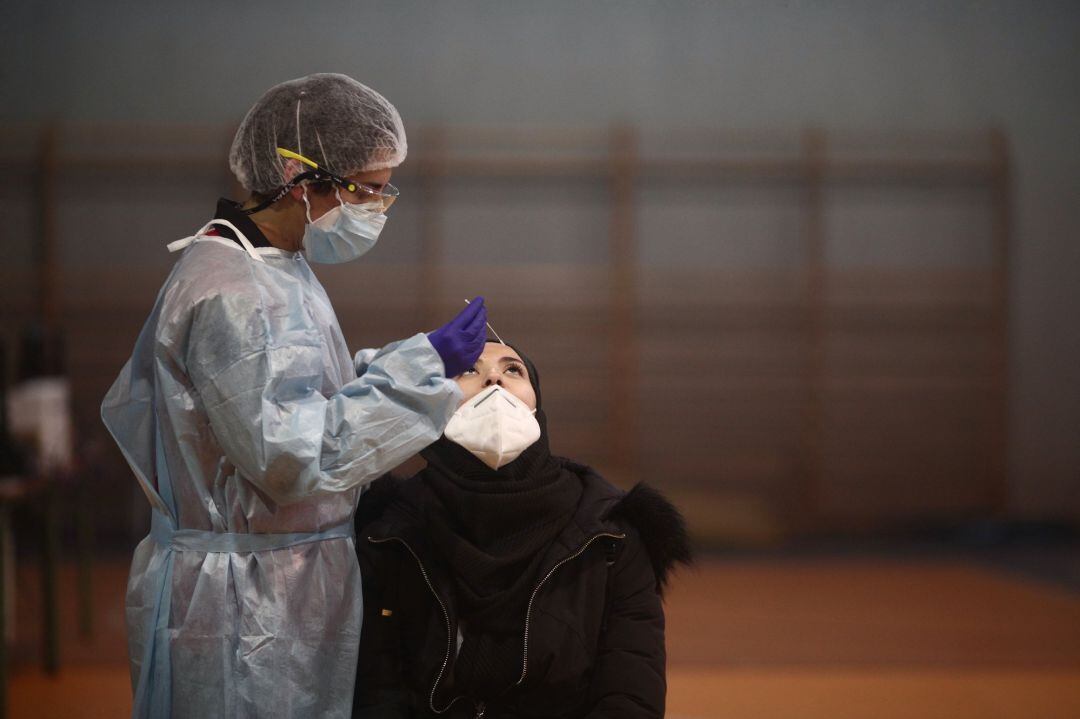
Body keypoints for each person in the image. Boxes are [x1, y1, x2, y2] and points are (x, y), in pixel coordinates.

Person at [101, 73, 488, 719]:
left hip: (285, 580)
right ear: (294, 174)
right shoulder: (233, 293)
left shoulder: (279, 265)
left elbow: (309, 392)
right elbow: (288, 453)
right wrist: (426, 385)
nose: (377, 205)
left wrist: (417, 359)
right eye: (366, 188)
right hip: (246, 605)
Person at [353, 341, 692, 718]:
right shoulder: (390, 532)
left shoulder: (610, 533)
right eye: (469, 370)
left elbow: (629, 694)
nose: (494, 378)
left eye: (513, 370)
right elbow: (376, 692)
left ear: (536, 404)